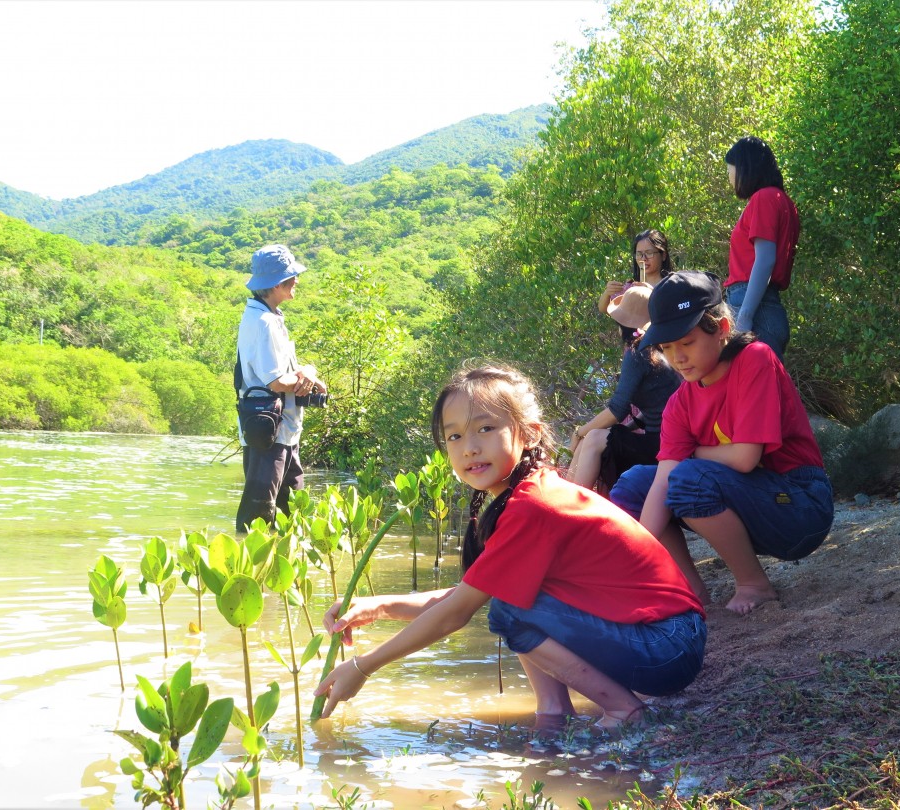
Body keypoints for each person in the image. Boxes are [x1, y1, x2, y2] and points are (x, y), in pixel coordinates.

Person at [314, 364, 705, 729]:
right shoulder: (526, 494)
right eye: (454, 436)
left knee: (510, 609)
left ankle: (623, 710)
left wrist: (363, 667)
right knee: (510, 598)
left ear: (530, 433)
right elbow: (467, 595)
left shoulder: (534, 505)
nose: (469, 447)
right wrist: (377, 606)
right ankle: (554, 712)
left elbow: (458, 612)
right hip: (666, 639)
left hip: (667, 646)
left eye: (485, 429)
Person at [609, 272, 833, 615]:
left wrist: (693, 453)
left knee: (689, 478)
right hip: (751, 506)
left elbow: (745, 458)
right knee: (634, 485)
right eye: (667, 348)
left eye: (687, 342)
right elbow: (663, 481)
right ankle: (689, 591)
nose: (678, 358)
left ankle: (754, 584)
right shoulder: (680, 403)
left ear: (722, 328)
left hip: (800, 506)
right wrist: (631, 565)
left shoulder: (754, 359)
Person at [235, 244, 326, 533]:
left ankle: (288, 570)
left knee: (291, 509)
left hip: (282, 429)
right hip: (270, 433)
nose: (296, 281)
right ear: (276, 284)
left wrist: (306, 374)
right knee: (259, 513)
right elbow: (276, 381)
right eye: (291, 277)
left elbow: (279, 374)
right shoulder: (263, 321)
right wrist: (308, 375)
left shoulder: (268, 316)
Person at [568, 285, 680, 494]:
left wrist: (578, 432)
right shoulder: (656, 349)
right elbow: (657, 407)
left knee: (591, 439)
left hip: (664, 444)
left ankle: (571, 506)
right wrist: (627, 428)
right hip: (665, 438)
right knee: (596, 437)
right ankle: (565, 500)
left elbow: (617, 409)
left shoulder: (638, 353)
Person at [723, 137, 799, 360]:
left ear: (745, 168)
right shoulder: (783, 201)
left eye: (730, 170)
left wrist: (744, 317)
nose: (729, 177)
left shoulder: (764, 198)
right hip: (764, 305)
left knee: (759, 389)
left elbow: (765, 260)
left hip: (754, 306)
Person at [597, 229, 675, 346]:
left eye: (649, 253)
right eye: (639, 254)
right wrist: (608, 292)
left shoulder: (672, 285)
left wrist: (652, 292)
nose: (643, 258)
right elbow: (605, 309)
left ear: (663, 255)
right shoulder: (631, 287)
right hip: (636, 352)